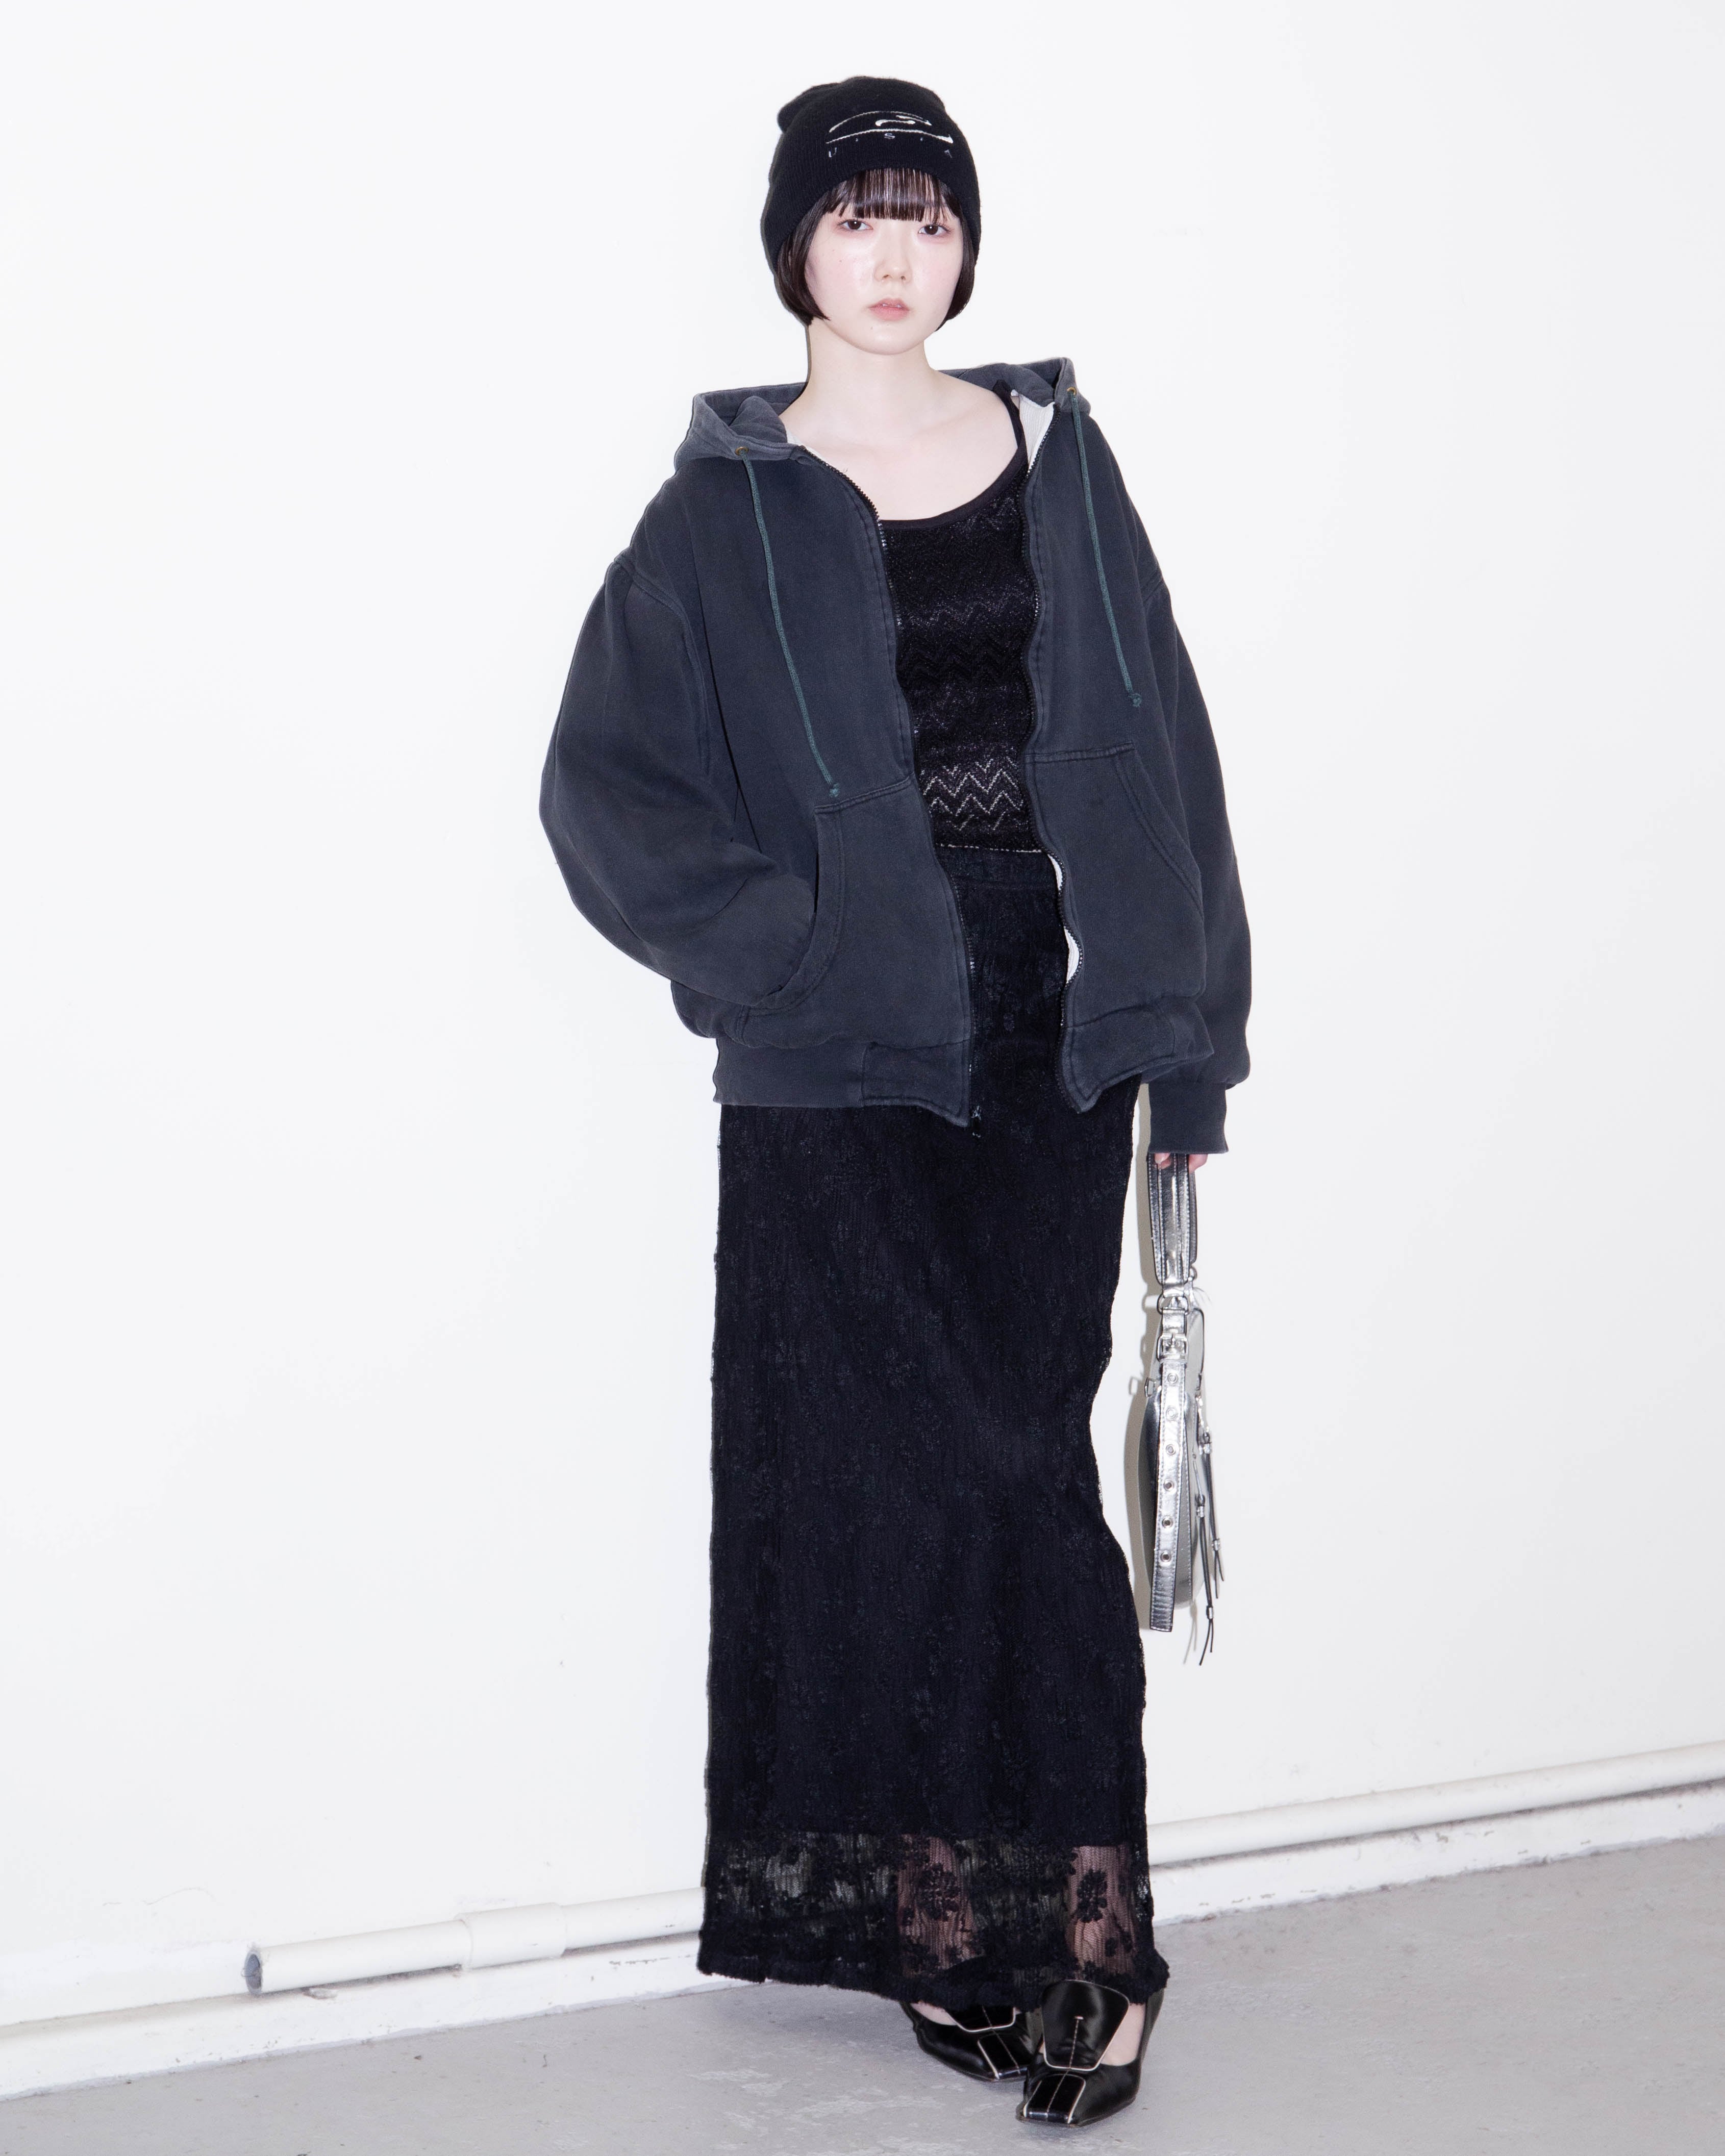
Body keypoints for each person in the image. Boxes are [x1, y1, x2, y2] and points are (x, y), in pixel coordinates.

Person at [540, 75, 1249, 2132]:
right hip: (836, 1068)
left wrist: (1186, 1032)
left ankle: (1093, 1946)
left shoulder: (1061, 461)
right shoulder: (723, 508)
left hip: (1046, 1031)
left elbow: (1164, 743)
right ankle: (950, 1930)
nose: (894, 251)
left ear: (963, 247)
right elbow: (605, 787)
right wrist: (785, 945)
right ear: (796, 246)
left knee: (1018, 1467)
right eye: (856, 214)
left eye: (927, 215)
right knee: (876, 1487)